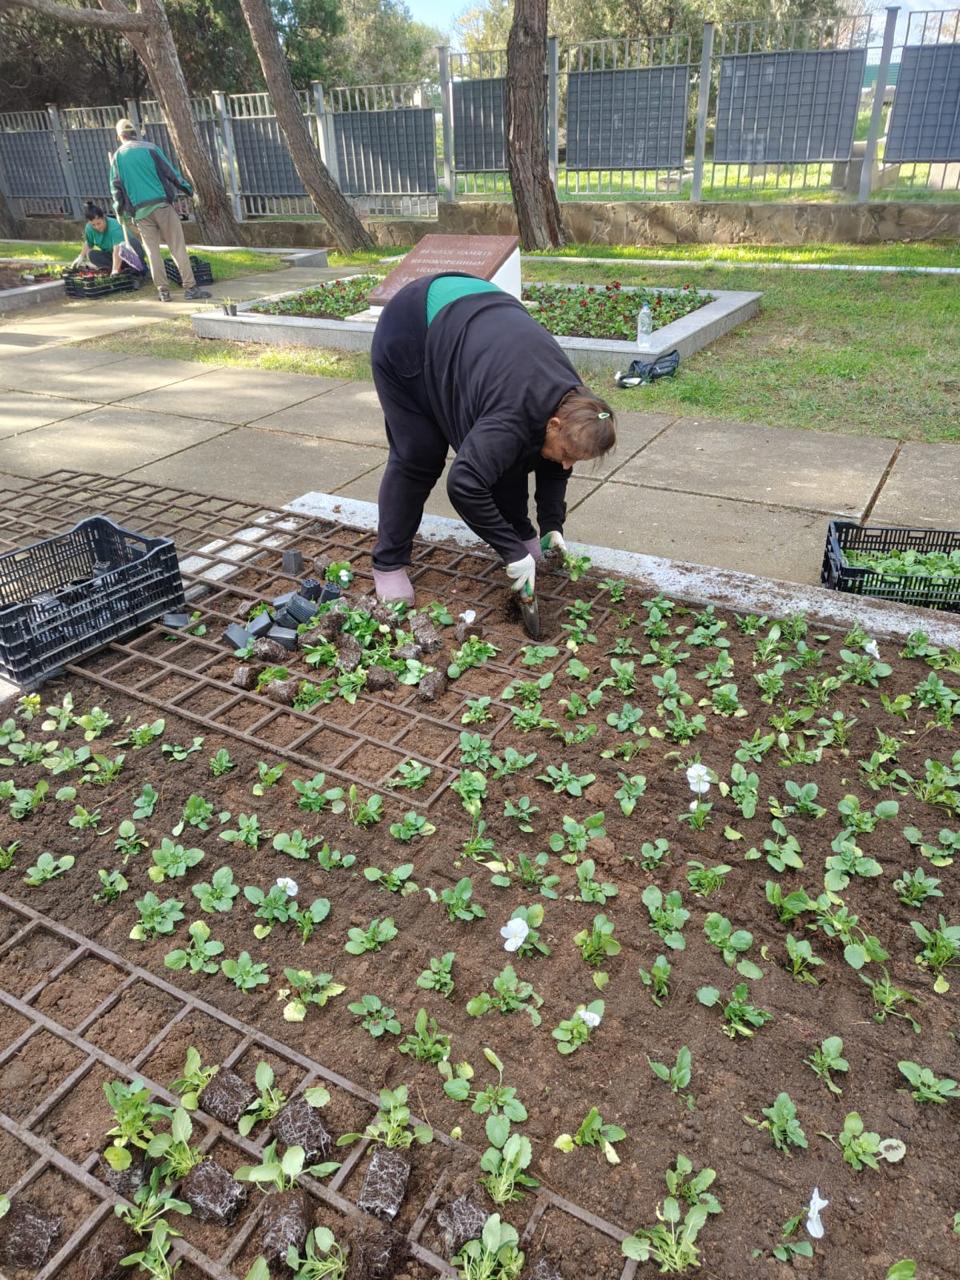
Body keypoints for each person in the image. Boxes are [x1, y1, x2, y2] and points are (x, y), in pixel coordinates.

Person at [370, 271, 616, 607]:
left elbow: (552, 464)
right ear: (555, 424)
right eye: (568, 454)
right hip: (412, 327)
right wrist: (513, 552)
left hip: (476, 316)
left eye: (576, 459)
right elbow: (465, 485)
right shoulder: (512, 415)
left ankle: (521, 532)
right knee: (419, 454)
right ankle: (388, 562)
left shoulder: (576, 405)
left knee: (518, 452)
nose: (568, 464)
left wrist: (550, 527)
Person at [109, 118, 211, 303]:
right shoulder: (150, 149)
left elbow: (116, 189)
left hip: (140, 213)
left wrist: (119, 211)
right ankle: (190, 288)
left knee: (152, 252)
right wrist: (189, 191)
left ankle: (163, 291)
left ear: (119, 136)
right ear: (135, 133)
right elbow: (171, 173)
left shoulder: (117, 158)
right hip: (162, 206)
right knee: (177, 247)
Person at [76, 203, 147, 285]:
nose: (97, 227)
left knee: (131, 243)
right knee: (92, 254)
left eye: (99, 223)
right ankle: (122, 272)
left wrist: (115, 270)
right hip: (112, 256)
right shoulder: (89, 228)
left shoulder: (114, 226)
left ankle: (136, 272)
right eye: (93, 225)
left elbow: (117, 250)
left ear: (104, 218)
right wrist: (81, 256)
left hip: (129, 254)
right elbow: (89, 243)